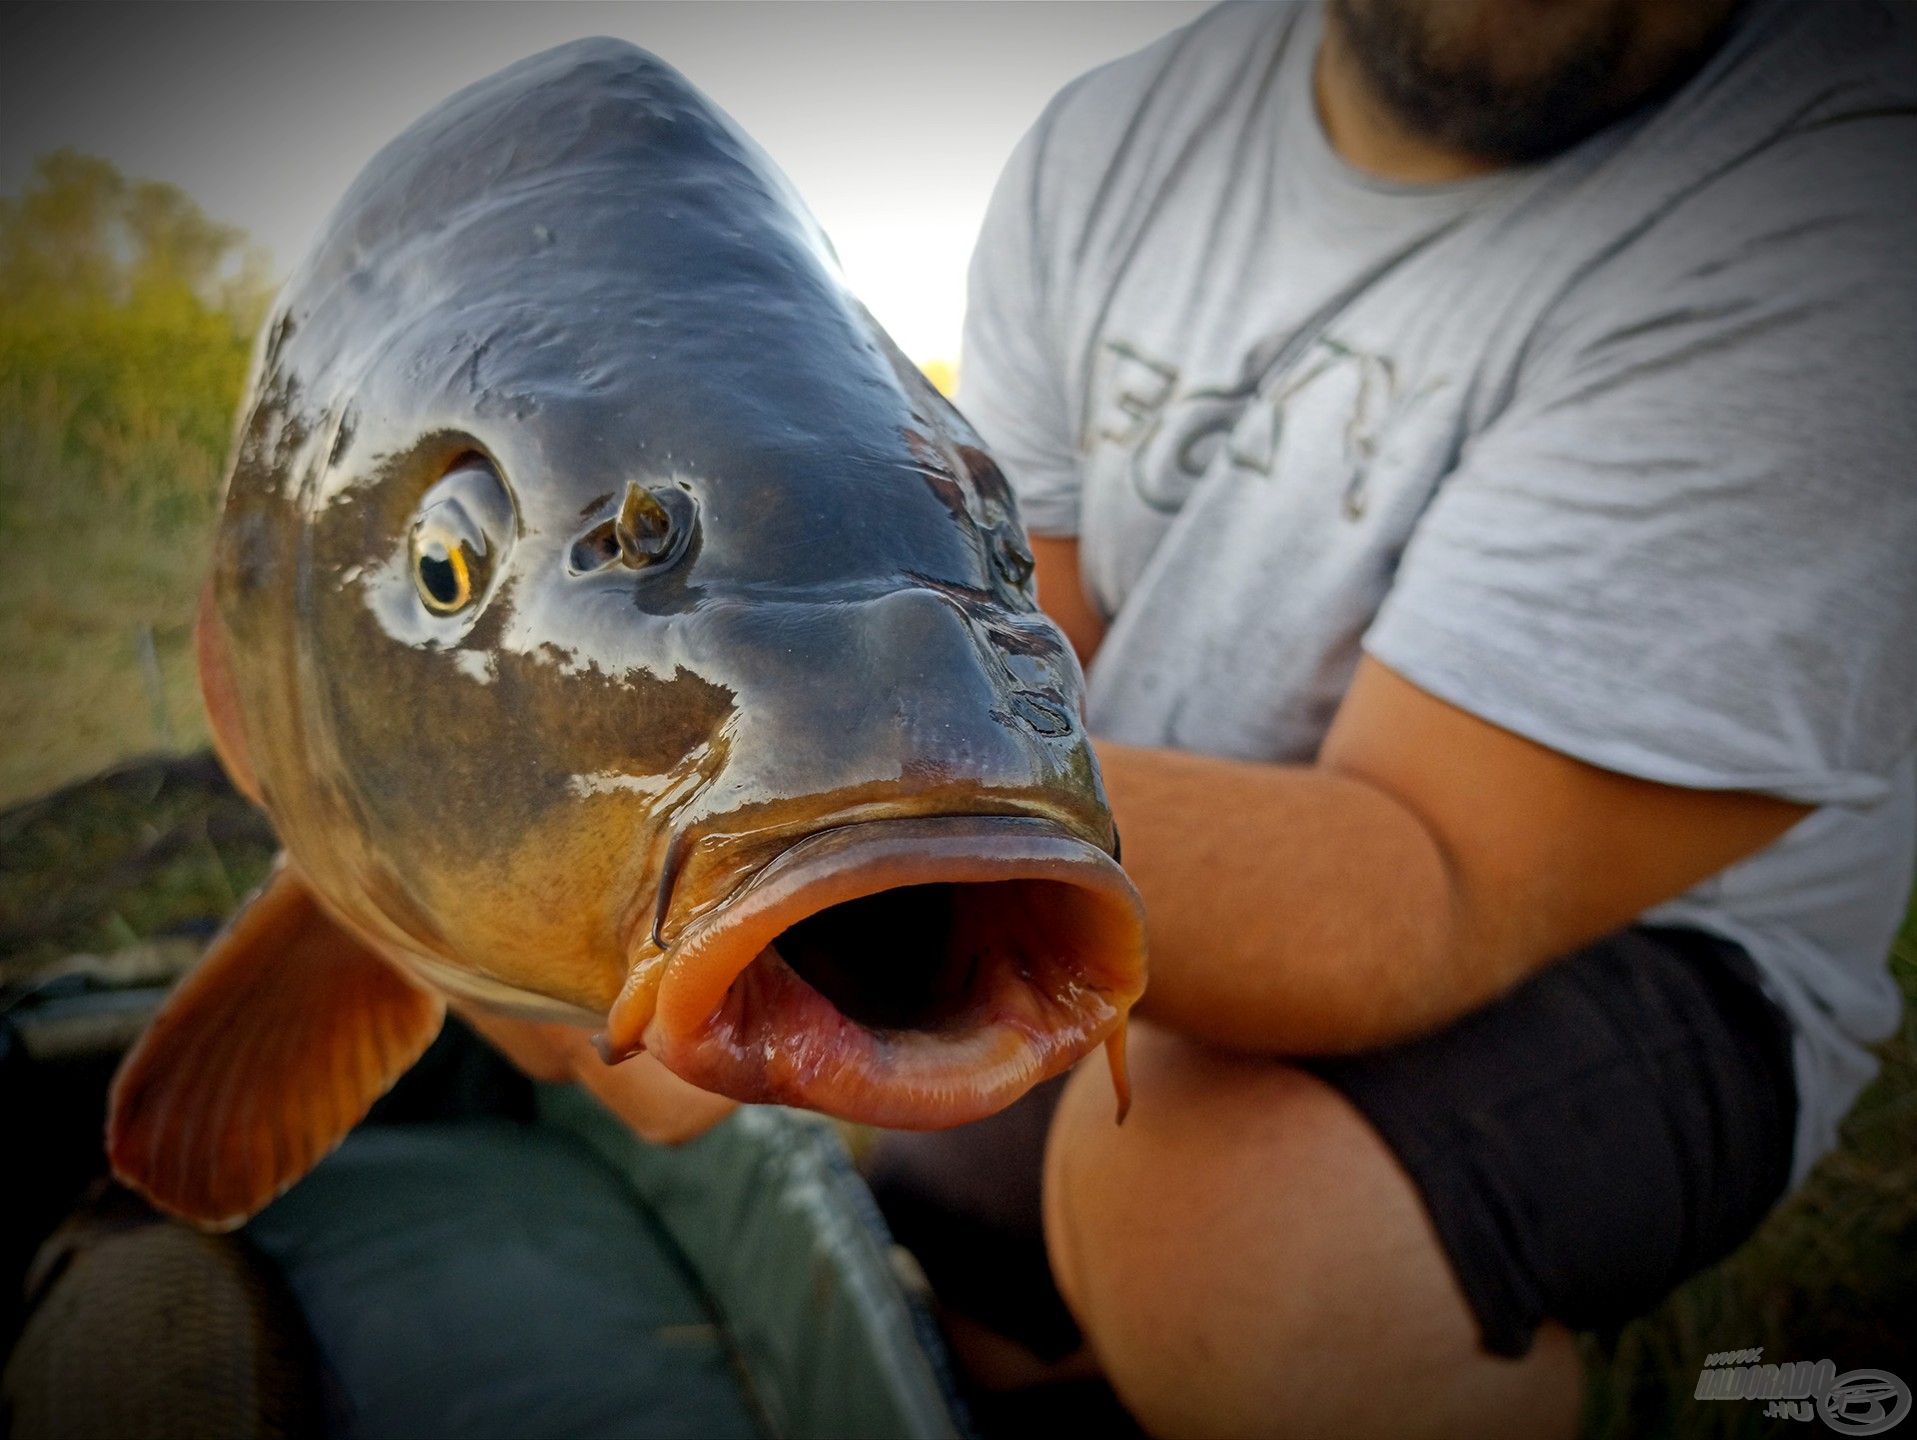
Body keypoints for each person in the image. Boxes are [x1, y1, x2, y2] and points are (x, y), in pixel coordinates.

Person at [861, 0, 1917, 1435]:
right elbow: (1035, 656)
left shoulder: (1839, 207)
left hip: (1646, 932)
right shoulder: (1105, 146)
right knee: (930, 1194)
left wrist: (802, 784)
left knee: (1227, 1235)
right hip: (1195, 829)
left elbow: (1428, 878)